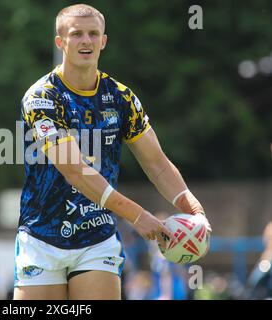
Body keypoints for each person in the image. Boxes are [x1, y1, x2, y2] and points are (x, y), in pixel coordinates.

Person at [15, 4, 211, 300]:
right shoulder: (42, 96)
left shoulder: (121, 97)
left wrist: (194, 208)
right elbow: (74, 171)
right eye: (76, 34)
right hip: (42, 238)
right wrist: (137, 215)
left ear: (103, 41)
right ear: (60, 42)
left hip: (97, 239)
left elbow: (156, 163)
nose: (86, 41)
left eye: (93, 34)